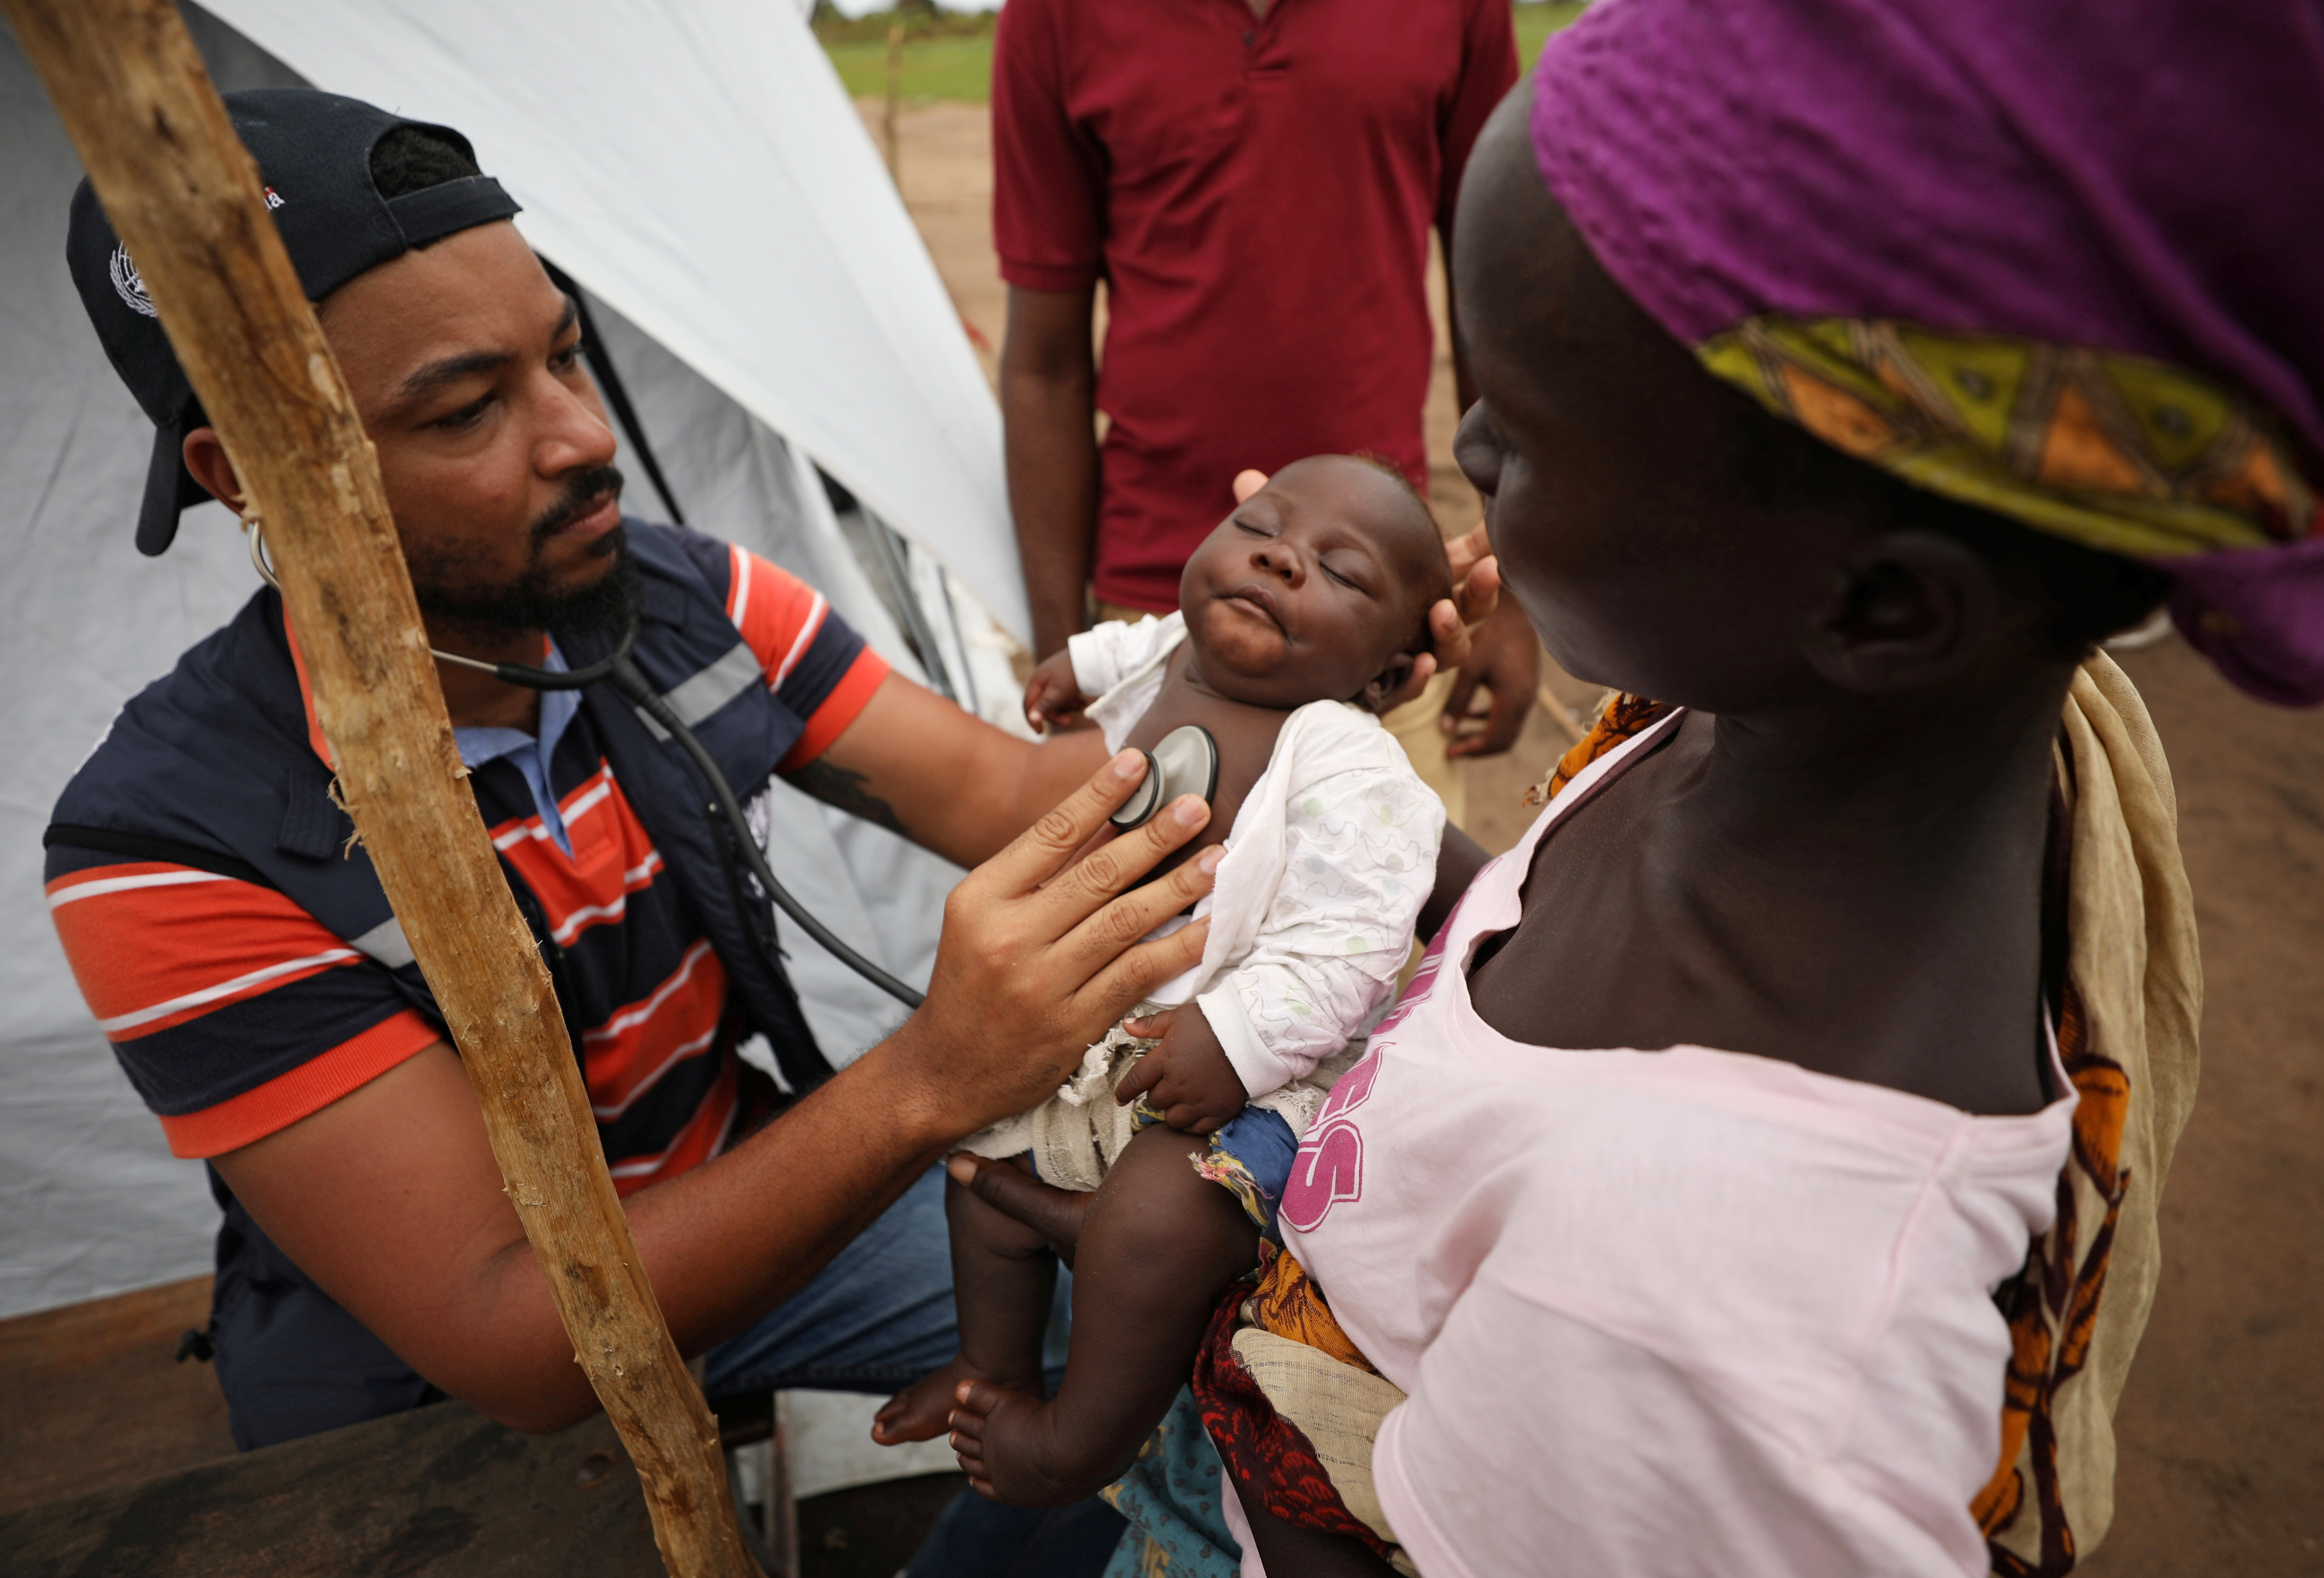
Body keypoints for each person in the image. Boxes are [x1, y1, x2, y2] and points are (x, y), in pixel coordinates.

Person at [955, 0, 2324, 1571]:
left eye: (1522, 438)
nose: (1458, 443)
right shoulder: (1736, 726)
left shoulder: (1698, 1317)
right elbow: (1492, 908)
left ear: (1885, 605)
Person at [36, 86, 1490, 1480]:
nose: (584, 437)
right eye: (468, 408)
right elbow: (520, 1342)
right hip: (436, 1379)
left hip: (756, 1200)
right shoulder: (162, 850)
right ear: (251, 477)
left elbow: (1035, 799)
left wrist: (1282, 698)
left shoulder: (687, 602)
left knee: (1184, 1334)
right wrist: (930, 1083)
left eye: (564, 353)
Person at [870, 458, 1449, 1503]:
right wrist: (1075, 665)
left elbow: (1352, 941)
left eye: (1341, 573)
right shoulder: (1179, 656)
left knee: (1158, 1216)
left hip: (1265, 1072)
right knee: (982, 1165)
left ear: (1388, 672)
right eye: (1260, 525)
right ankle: (988, 1373)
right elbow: (1135, 638)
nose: (1279, 555)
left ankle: (1073, 1444)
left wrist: (1233, 1040)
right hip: (1124, 1038)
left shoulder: (1347, 762)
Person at [990, 0, 1540, 827]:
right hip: (1151, 624)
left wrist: (1521, 593)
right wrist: (1067, 650)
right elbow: (1044, 366)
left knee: (1395, 937)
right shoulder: (1052, 17)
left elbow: (1492, 301)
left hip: (1380, 626)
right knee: (1157, 945)